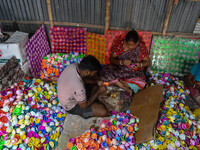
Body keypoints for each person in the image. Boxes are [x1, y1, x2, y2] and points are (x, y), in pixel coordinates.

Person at [101, 29, 151, 96]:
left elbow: (147, 61)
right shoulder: (120, 45)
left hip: (134, 73)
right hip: (119, 70)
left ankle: (116, 83)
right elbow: (112, 59)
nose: (130, 47)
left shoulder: (141, 47)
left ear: (137, 43)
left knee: (142, 84)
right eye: (128, 45)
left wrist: (140, 64)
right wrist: (122, 62)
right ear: (125, 41)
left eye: (133, 45)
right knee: (104, 71)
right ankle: (124, 87)